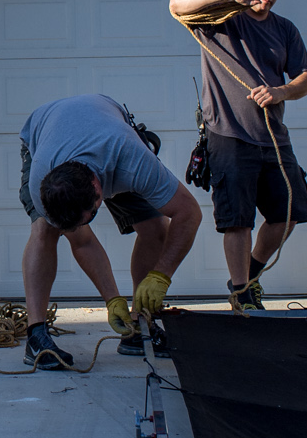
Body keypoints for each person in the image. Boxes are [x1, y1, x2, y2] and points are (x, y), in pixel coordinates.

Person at [169, 0, 307, 312]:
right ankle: (242, 296)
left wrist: (281, 91)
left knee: (289, 213)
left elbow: (306, 80)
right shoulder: (220, 18)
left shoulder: (285, 29)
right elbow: (176, 4)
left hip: (274, 137)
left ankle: (248, 276)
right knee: (238, 221)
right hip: (228, 134)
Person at [19, 94, 203, 368]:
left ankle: (140, 325)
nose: (88, 223)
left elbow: (189, 213)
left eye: (91, 216)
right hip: (44, 131)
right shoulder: (43, 181)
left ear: (98, 189)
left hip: (110, 133)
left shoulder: (131, 159)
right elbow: (82, 243)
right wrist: (112, 300)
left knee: (155, 226)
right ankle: (36, 335)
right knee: (44, 231)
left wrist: (161, 276)